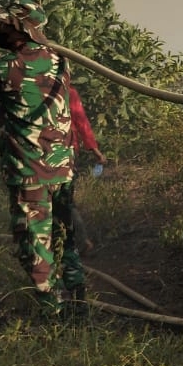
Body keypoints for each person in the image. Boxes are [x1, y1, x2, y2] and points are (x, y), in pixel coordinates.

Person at [0, 0, 84, 317]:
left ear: (20, 29)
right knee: (64, 239)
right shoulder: (59, 61)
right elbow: (27, 69)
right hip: (61, 170)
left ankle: (53, 316)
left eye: (5, 25)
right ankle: (79, 307)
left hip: (30, 174)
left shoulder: (6, 68)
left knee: (34, 248)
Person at [68, 84, 106, 253]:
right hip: (66, 151)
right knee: (65, 200)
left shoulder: (30, 86)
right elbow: (81, 123)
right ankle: (81, 242)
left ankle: (77, 242)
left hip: (39, 153)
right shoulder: (68, 91)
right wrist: (96, 152)